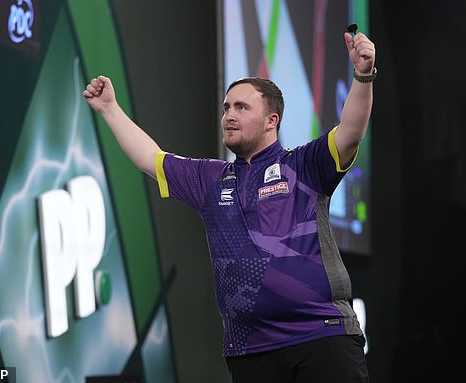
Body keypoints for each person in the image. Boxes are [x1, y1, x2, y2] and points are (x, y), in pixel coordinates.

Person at [83, 30, 375, 383]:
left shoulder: (303, 165)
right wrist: (110, 109)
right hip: (250, 350)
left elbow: (351, 132)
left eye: (241, 107)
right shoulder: (210, 179)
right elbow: (150, 158)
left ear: (272, 121)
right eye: (226, 108)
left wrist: (362, 76)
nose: (229, 116)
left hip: (321, 335)